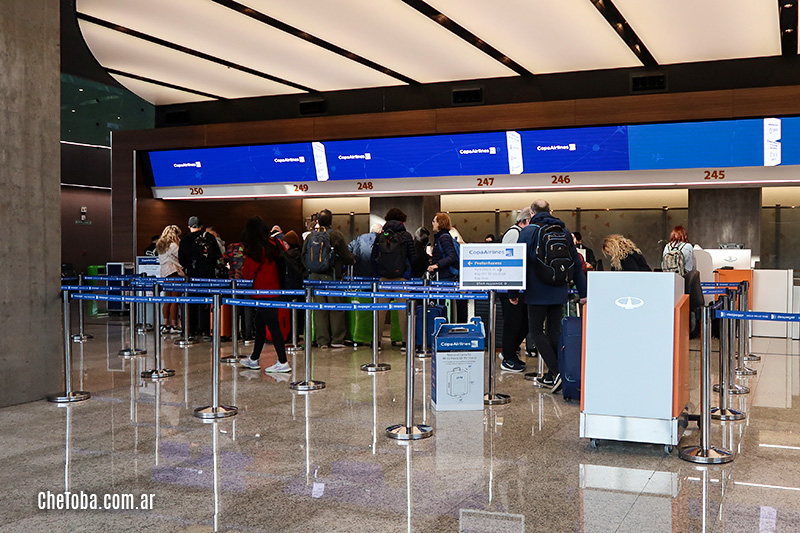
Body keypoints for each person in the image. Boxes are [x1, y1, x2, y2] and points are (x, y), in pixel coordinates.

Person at [517, 200, 587, 393]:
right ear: (551, 211)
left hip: (536, 292)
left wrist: (514, 292)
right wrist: (583, 292)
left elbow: (518, 263)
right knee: (554, 333)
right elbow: (575, 263)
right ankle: (553, 375)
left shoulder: (528, 232)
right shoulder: (564, 232)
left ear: (531, 213)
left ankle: (557, 372)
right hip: (559, 290)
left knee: (536, 332)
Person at [239, 217, 291, 373]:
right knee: (260, 324)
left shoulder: (256, 248)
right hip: (275, 289)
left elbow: (248, 273)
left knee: (273, 327)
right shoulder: (274, 244)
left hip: (263, 291)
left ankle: (283, 361)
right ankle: (254, 358)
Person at [302, 209, 354, 349]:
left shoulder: (310, 236)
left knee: (319, 309)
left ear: (317, 221)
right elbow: (347, 257)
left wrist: (313, 269)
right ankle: (336, 340)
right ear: (331, 221)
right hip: (332, 277)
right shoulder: (336, 235)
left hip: (314, 278)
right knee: (335, 308)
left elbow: (303, 256)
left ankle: (322, 341)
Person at [371, 208, 417, 351]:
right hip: (402, 279)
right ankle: (405, 342)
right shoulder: (406, 236)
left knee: (379, 310)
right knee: (404, 311)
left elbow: (373, 257)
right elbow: (413, 258)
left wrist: (380, 271)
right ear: (402, 220)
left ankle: (376, 342)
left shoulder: (381, 236)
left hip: (383, 278)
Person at [498, 206, 532, 373]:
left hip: (517, 288)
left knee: (522, 324)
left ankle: (509, 352)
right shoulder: (514, 234)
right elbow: (510, 261)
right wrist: (513, 290)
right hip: (511, 289)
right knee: (512, 324)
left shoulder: (519, 233)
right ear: (524, 221)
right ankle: (508, 357)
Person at [178, 216, 222, 340]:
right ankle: (205, 330)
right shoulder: (209, 237)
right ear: (201, 226)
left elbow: (181, 259)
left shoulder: (185, 240)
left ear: (189, 227)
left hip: (192, 276)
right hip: (208, 276)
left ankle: (191, 330)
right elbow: (217, 255)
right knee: (206, 303)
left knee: (191, 303)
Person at [155, 225, 183, 334]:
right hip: (174, 272)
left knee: (167, 299)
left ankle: (166, 324)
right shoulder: (173, 246)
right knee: (175, 300)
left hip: (165, 274)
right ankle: (175, 325)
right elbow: (180, 257)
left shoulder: (160, 246)